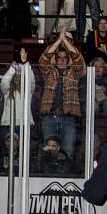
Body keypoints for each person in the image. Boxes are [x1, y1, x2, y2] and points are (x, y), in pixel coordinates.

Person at [39, 30, 85, 162]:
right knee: (48, 151)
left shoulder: (74, 72)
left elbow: (78, 58)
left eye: (65, 58)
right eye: (59, 58)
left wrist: (65, 42)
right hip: (49, 116)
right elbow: (44, 58)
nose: (62, 60)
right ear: (56, 59)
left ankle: (66, 177)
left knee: (68, 151)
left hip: (68, 118)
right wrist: (58, 41)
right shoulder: (49, 71)